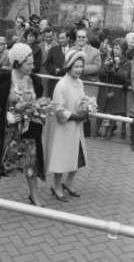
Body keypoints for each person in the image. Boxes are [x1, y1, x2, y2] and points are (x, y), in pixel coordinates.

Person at [0, 43, 45, 207]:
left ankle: (34, 196)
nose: (33, 66)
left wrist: (37, 113)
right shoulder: (2, 79)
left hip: (27, 131)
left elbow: (38, 103)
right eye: (29, 63)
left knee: (31, 162)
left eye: (33, 63)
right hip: (5, 131)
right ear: (18, 62)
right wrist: (5, 115)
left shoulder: (36, 81)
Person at [43, 49, 88, 202]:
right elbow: (58, 110)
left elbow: (82, 100)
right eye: (76, 66)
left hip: (76, 128)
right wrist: (76, 116)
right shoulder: (61, 85)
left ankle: (68, 184)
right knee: (61, 158)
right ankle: (56, 186)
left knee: (78, 158)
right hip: (63, 129)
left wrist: (86, 108)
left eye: (81, 66)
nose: (79, 70)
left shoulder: (79, 82)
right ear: (69, 66)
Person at [97, 38, 131, 139]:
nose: (115, 50)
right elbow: (100, 74)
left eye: (118, 48)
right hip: (106, 90)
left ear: (124, 50)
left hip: (117, 92)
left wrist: (117, 66)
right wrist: (105, 66)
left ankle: (111, 129)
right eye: (114, 48)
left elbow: (124, 76)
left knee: (114, 110)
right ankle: (104, 128)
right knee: (102, 112)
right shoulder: (108, 59)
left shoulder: (127, 63)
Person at [44, 30, 70, 97]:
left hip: (69, 82)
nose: (60, 40)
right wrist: (54, 69)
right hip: (55, 82)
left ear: (68, 38)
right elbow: (47, 64)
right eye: (59, 38)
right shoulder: (53, 50)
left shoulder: (73, 49)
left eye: (62, 38)